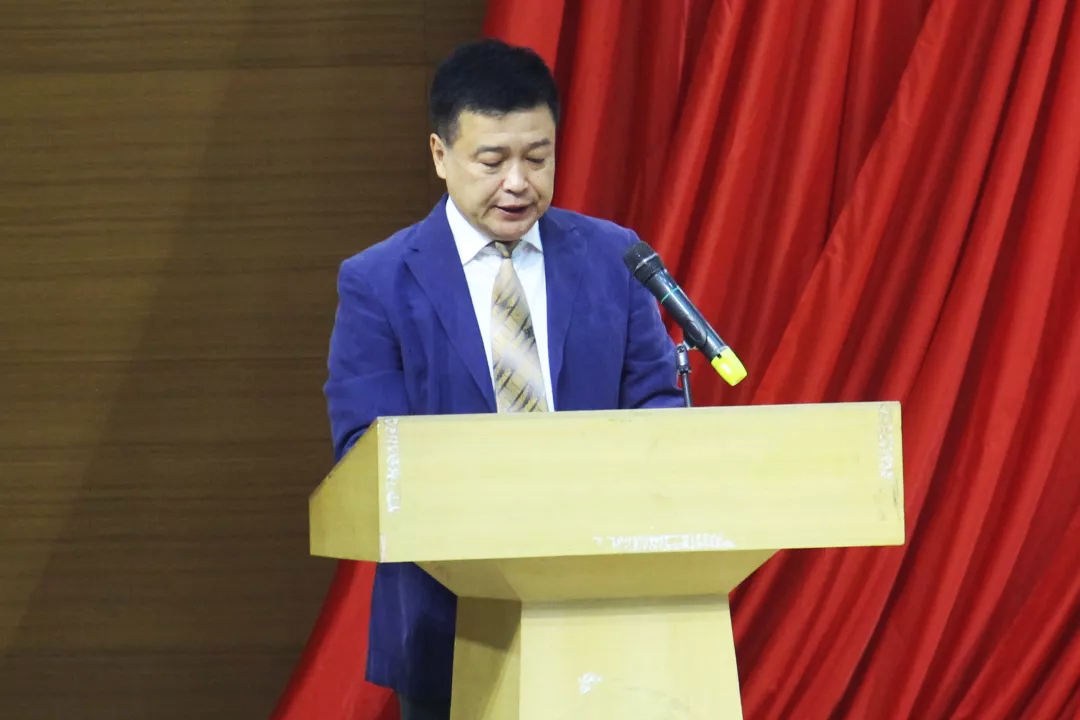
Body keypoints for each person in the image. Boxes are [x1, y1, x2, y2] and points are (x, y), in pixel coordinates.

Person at [323, 38, 684, 720]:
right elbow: (367, 455)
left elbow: (657, 410)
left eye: (538, 158)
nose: (518, 182)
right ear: (440, 155)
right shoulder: (378, 283)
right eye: (492, 161)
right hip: (447, 619)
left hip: (603, 606)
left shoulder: (616, 259)